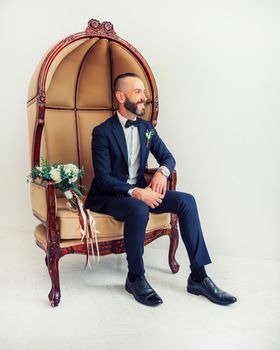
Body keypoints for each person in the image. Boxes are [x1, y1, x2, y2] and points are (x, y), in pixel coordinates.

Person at [85, 72, 237, 307]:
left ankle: (198, 276)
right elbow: (103, 178)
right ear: (120, 96)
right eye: (138, 92)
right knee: (138, 208)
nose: (144, 97)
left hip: (140, 191)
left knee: (187, 200)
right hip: (110, 196)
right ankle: (135, 277)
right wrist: (136, 192)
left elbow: (167, 157)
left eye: (144, 92)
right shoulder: (102, 132)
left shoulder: (146, 128)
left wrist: (161, 172)